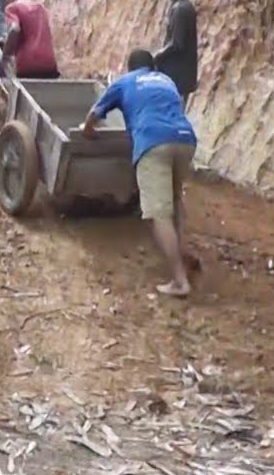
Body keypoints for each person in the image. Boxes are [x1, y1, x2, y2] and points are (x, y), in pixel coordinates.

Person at [83, 49, 198, 297]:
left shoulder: (125, 82)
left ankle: (179, 281)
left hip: (153, 142)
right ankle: (180, 251)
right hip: (186, 139)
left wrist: (88, 131)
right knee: (174, 199)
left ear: (130, 67)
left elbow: (94, 113)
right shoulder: (166, 80)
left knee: (159, 213)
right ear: (152, 66)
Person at [153, 0, 198, 109]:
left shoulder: (181, 9)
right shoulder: (178, 6)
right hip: (175, 76)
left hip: (178, 76)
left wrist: (156, 56)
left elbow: (177, 44)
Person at [0, 0, 59, 79]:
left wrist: (5, 55)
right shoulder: (40, 7)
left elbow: (14, 29)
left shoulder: (12, 8)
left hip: (28, 64)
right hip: (49, 64)